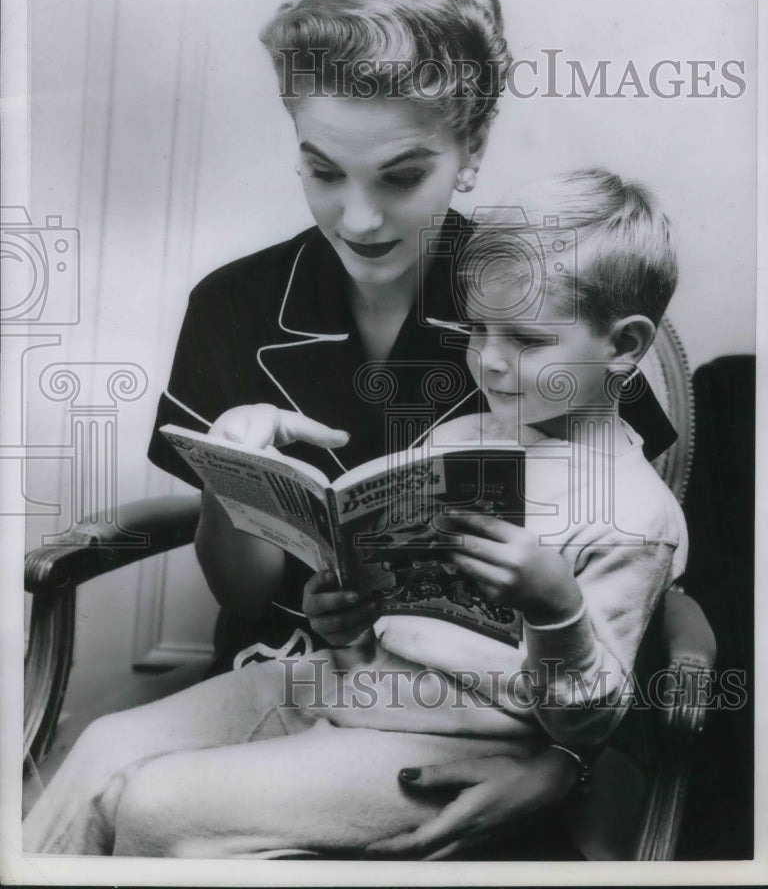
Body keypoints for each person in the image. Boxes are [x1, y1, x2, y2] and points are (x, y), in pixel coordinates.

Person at [22, 168, 687, 858]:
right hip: (345, 682)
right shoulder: (462, 438)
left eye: (523, 340)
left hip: (450, 739)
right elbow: (404, 620)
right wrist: (344, 620)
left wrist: (554, 610)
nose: (487, 360)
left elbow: (586, 724)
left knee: (158, 805)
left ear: (622, 346)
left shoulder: (635, 515)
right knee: (106, 744)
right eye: (477, 328)